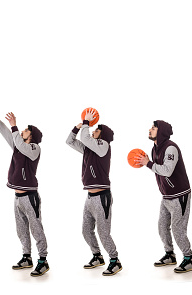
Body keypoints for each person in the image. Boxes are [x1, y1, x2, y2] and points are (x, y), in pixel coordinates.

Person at [0, 109, 49, 277]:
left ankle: (43, 260)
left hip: (30, 197)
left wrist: (15, 126)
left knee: (36, 229)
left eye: (25, 130)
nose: (21, 131)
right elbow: (7, 134)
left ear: (31, 136)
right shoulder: (18, 145)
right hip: (17, 197)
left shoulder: (34, 148)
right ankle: (27, 257)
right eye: (21, 129)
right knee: (21, 229)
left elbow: (19, 140)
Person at [66, 110, 122, 276]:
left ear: (102, 134)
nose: (92, 130)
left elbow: (85, 137)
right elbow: (69, 141)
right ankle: (97, 256)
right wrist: (78, 126)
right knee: (86, 230)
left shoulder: (103, 146)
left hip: (102, 197)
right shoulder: (89, 148)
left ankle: (115, 260)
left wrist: (85, 122)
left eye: (96, 129)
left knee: (103, 233)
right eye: (92, 128)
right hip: (89, 197)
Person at [136, 120, 192, 273]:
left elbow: (167, 171)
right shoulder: (154, 148)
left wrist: (148, 163)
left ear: (161, 131)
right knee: (162, 227)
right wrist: (148, 163)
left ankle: (188, 259)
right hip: (166, 196)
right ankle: (170, 255)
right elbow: (157, 170)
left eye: (153, 128)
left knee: (177, 229)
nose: (150, 129)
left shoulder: (171, 148)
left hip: (179, 195)